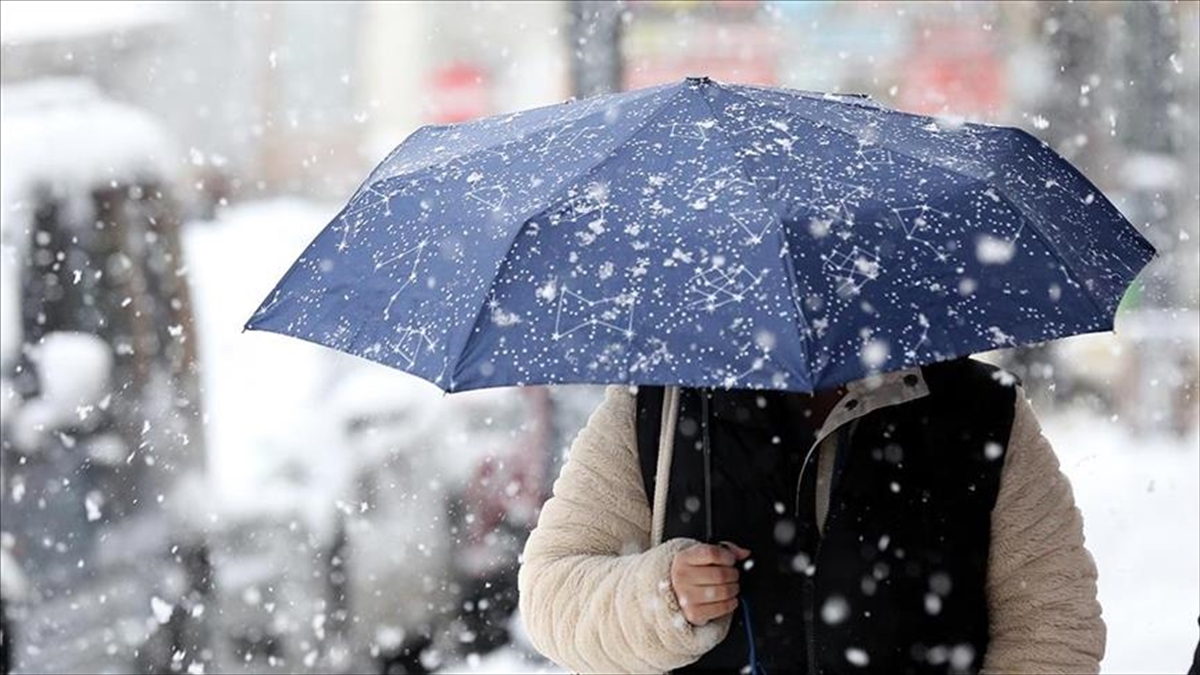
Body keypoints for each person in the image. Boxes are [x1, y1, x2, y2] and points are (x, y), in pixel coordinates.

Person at [518, 358, 1105, 674]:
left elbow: (1052, 627)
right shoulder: (662, 407)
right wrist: (661, 596)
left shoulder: (979, 412)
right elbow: (552, 593)